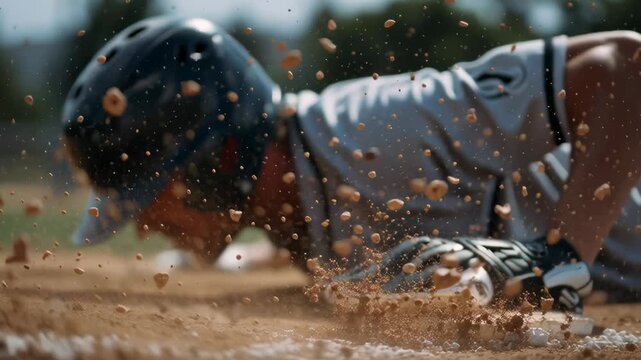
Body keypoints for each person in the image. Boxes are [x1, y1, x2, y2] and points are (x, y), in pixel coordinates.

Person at [61, 16, 641, 314]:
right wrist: (250, 260)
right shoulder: (291, 195)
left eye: (151, 193)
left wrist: (563, 257)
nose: (143, 225)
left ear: (221, 159)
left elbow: (625, 62)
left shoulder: (379, 128)